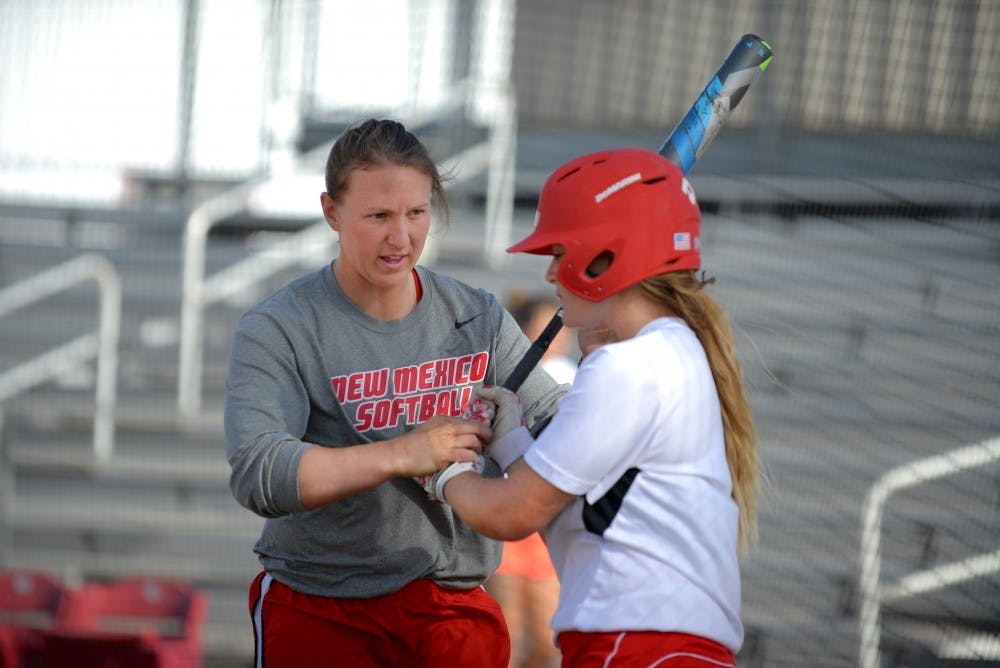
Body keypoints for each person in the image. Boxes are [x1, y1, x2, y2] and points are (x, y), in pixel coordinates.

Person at [224, 118, 567, 667]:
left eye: (417, 212)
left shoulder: (476, 316)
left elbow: (558, 421)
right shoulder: (280, 326)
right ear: (331, 212)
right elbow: (259, 472)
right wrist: (404, 454)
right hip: (319, 608)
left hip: (450, 610)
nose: (401, 238)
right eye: (379, 216)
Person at [436, 148, 760, 667]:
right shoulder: (674, 351)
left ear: (604, 256)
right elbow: (581, 513)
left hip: (633, 644)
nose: (550, 276)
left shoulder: (630, 366)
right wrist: (512, 438)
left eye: (560, 252)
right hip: (670, 647)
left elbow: (512, 512)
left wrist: (440, 466)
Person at [490, 292, 573, 668]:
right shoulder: (506, 375)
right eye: (543, 329)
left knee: (546, 644)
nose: (555, 337)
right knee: (509, 639)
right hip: (507, 513)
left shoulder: (577, 376)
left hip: (546, 517)